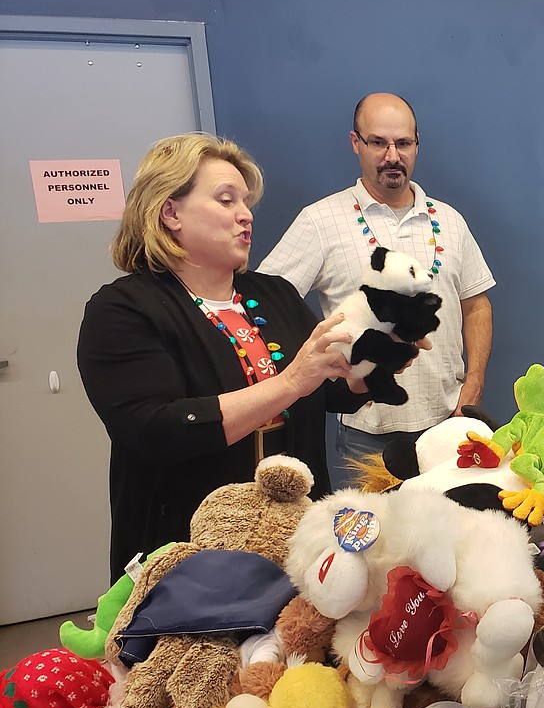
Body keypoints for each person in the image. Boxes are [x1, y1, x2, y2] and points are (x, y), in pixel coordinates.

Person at [78, 134, 373, 583]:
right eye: (225, 199)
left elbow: (331, 392)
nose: (246, 215)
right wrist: (292, 381)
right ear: (170, 212)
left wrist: (374, 364)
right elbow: (156, 431)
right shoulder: (122, 310)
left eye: (246, 201)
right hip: (188, 556)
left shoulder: (273, 293)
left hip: (297, 542)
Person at [259, 93, 495, 482]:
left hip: (449, 424)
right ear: (356, 143)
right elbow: (266, 304)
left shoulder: (450, 221)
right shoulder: (321, 221)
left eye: (403, 143)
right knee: (376, 541)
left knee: (450, 539)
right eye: (377, 142)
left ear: (417, 144)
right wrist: (318, 367)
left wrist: (475, 383)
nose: (391, 156)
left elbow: (477, 304)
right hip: (367, 435)